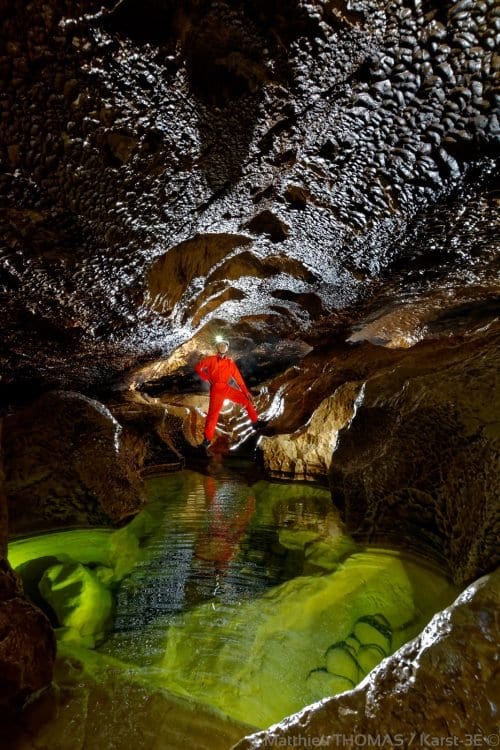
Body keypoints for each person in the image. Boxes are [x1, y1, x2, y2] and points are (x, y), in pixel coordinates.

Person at [195, 339, 258, 449]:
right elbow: (198, 367)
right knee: (213, 415)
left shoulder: (230, 362)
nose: (222, 347)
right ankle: (207, 439)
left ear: (227, 348)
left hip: (226, 388)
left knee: (246, 400)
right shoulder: (211, 360)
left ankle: (256, 422)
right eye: (220, 345)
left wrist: (246, 392)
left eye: (224, 345)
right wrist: (206, 377)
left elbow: (238, 379)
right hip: (216, 389)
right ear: (217, 347)